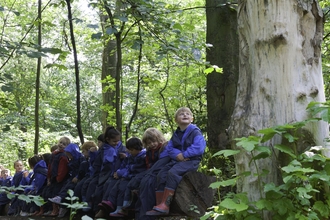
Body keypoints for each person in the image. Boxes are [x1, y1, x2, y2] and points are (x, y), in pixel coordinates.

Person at [146, 107, 206, 216]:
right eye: (181, 114)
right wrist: (177, 155)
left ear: (192, 119)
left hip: (191, 161)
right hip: (178, 160)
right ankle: (159, 204)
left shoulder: (195, 131)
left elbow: (199, 147)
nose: (185, 115)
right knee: (161, 174)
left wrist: (184, 155)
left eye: (187, 114)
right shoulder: (176, 134)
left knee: (173, 173)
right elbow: (169, 148)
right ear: (176, 120)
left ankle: (166, 204)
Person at [117, 128, 169, 217]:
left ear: (159, 139)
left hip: (157, 173)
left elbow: (162, 164)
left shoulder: (164, 148)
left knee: (143, 182)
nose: (152, 144)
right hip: (149, 172)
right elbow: (148, 164)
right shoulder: (149, 151)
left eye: (154, 141)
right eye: (149, 143)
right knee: (134, 182)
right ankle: (130, 204)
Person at [95, 137, 146, 218]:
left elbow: (134, 169)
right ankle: (109, 203)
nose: (129, 151)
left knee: (122, 186)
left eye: (131, 150)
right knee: (113, 185)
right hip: (126, 176)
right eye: (129, 150)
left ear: (138, 148)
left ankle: (122, 208)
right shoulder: (131, 156)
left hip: (132, 178)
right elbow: (125, 166)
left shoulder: (142, 157)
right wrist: (118, 172)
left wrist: (122, 174)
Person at [83, 126, 126, 214]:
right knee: (98, 190)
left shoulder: (121, 148)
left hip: (115, 174)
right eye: (114, 141)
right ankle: (95, 210)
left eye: (118, 141)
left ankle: (103, 211)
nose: (116, 143)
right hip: (104, 174)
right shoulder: (104, 149)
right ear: (107, 139)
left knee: (107, 187)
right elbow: (98, 163)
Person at [48, 143, 84, 217]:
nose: (68, 156)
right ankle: (61, 202)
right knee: (66, 185)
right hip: (73, 178)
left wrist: (77, 177)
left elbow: (82, 170)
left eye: (69, 154)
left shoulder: (80, 158)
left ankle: (61, 199)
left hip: (79, 178)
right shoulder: (72, 160)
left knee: (70, 186)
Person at [41, 137, 70, 216]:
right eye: (60, 142)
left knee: (56, 193)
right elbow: (50, 167)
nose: (61, 145)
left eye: (64, 144)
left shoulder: (63, 155)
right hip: (53, 178)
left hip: (59, 179)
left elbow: (63, 169)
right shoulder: (54, 154)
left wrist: (58, 178)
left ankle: (56, 210)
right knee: (49, 193)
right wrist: (49, 178)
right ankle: (51, 209)